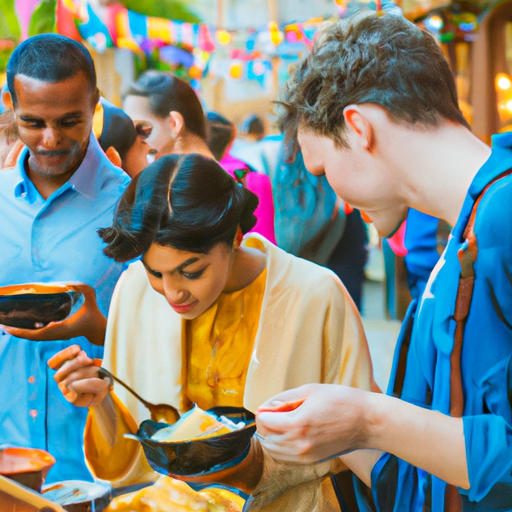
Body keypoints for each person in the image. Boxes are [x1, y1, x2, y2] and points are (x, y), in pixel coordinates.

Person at [255, 12, 512, 512]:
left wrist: (372, 418)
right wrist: (344, 417)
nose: (341, 202)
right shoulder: (466, 235)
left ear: (358, 128)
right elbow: (428, 473)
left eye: (325, 169)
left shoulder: (502, 220)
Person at [49, 153, 376, 511]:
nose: (173, 293)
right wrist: (102, 402)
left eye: (191, 271)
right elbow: (128, 464)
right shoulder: (134, 291)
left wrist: (256, 467)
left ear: (234, 237)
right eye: (156, 273)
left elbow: (357, 446)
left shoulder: (315, 294)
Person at [0, 34, 129, 482]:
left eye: (71, 121)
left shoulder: (133, 207)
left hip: (98, 469)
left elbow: (171, 340)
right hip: (7, 462)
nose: (50, 140)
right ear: (9, 103)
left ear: (95, 104)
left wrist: (101, 330)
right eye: (32, 122)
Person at [123, 71, 276, 243]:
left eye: (141, 128)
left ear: (174, 123)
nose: (135, 139)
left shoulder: (168, 194)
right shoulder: (252, 181)